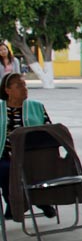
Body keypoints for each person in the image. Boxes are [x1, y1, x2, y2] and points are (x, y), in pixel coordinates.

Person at [0, 73, 54, 220]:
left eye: (25, 85)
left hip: (33, 155)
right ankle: (15, 204)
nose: (24, 88)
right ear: (7, 90)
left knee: (33, 168)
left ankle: (40, 201)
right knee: (6, 171)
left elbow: (50, 131)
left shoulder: (36, 107)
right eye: (19, 86)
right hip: (5, 156)